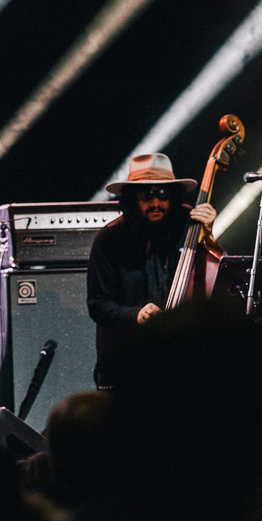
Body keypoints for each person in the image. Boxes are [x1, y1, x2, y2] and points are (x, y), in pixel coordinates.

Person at [86, 152, 222, 389]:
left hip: (180, 364)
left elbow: (217, 282)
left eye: (163, 194)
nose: (156, 203)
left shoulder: (189, 225)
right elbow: (97, 304)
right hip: (126, 364)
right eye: (147, 195)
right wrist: (135, 314)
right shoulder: (109, 239)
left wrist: (209, 234)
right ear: (131, 198)